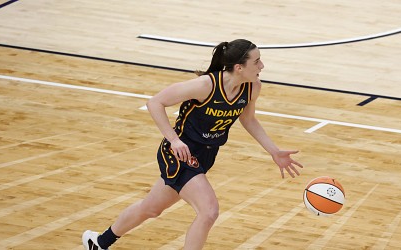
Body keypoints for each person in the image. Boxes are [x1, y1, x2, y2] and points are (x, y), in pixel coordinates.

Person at [82, 38, 303, 250]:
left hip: (206, 155)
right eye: (256, 61)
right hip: (180, 153)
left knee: (151, 208)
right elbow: (155, 102)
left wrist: (274, 151)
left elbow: (248, 119)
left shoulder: (251, 87)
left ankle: (99, 242)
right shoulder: (205, 85)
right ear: (239, 67)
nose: (262, 66)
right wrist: (174, 140)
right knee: (209, 211)